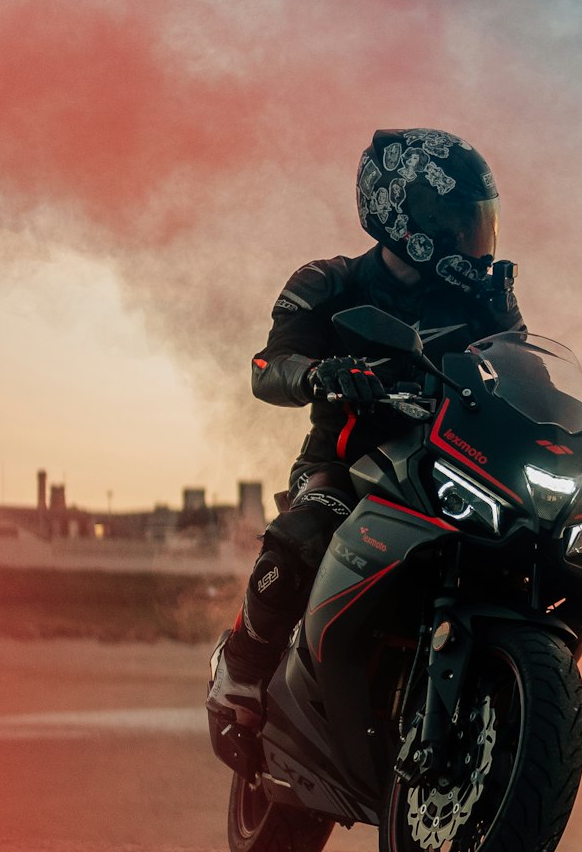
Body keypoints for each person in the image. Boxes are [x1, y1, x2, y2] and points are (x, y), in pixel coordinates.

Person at [206, 128, 525, 730]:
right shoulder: (327, 285)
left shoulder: (480, 298)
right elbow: (266, 370)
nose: (472, 239)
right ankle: (244, 663)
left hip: (448, 461)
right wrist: (320, 374)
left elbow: (521, 369)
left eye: (477, 221)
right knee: (305, 534)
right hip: (346, 463)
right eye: (458, 222)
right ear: (407, 217)